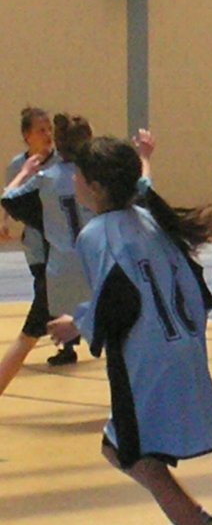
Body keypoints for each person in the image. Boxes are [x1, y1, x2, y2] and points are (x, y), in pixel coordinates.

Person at [48, 136, 212, 525]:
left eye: (78, 175)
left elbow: (116, 299)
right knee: (132, 449)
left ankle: (199, 522)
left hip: (146, 358)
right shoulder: (150, 219)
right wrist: (145, 157)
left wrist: (77, 325)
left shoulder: (96, 234)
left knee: (125, 450)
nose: (74, 180)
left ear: (96, 187)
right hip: (182, 345)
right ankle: (198, 518)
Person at [0, 113, 95, 384]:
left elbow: (9, 198)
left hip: (60, 275)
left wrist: (24, 174)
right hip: (96, 268)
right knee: (123, 338)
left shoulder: (46, 178)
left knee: (25, 340)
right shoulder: (96, 177)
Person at [1, 107, 60, 372]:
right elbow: (10, 195)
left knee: (59, 287)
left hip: (59, 240)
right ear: (27, 136)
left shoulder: (61, 162)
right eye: (41, 130)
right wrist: (3, 221)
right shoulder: (18, 166)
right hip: (36, 241)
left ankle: (65, 344)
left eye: (49, 129)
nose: (47, 135)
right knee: (42, 286)